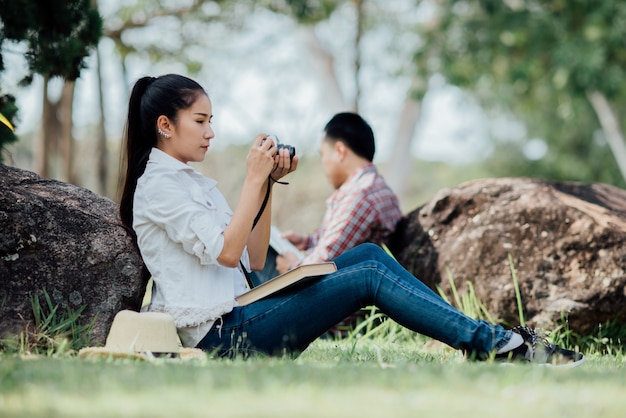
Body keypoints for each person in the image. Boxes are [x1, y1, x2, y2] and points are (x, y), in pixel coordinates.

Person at [119, 73, 584, 366]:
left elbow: (252, 254)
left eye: (211, 120)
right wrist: (249, 180)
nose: (211, 131)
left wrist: (264, 187)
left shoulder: (194, 183)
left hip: (242, 316)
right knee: (369, 271)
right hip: (220, 340)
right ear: (165, 125)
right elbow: (224, 253)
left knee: (366, 257)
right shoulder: (158, 186)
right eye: (201, 121)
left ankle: (492, 343)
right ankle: (496, 346)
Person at [273, 112, 402, 275]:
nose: (323, 163)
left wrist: (292, 267)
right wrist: (306, 241)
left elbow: (323, 263)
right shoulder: (372, 185)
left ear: (340, 151)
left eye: (323, 154)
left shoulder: (361, 195)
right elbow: (342, 239)